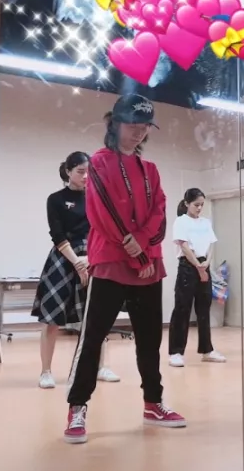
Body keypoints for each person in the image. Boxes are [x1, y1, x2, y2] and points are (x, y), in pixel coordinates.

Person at [64, 94, 185, 444]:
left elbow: (160, 212)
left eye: (145, 126)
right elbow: (102, 214)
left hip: (148, 264)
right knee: (93, 338)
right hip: (111, 263)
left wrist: (144, 250)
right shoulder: (98, 163)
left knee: (150, 340)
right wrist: (137, 255)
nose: (139, 132)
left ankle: (153, 403)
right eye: (133, 125)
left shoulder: (151, 170)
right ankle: (77, 406)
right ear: (115, 124)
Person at [32, 152, 120, 389]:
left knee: (98, 315)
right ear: (68, 171)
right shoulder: (56, 199)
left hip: (94, 256)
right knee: (51, 319)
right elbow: (57, 234)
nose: (86, 176)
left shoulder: (98, 199)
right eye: (81, 171)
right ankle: (46, 372)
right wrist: (77, 262)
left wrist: (90, 259)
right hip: (64, 257)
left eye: (90, 172)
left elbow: (105, 232)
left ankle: (102, 366)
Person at [168, 188, 227, 366]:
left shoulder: (205, 222)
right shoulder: (181, 221)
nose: (199, 208)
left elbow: (211, 244)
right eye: (196, 205)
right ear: (187, 204)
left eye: (202, 205)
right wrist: (197, 264)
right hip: (188, 265)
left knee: (204, 308)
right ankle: (176, 352)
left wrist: (207, 262)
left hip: (203, 263)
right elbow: (184, 246)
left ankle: (207, 350)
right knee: (182, 308)